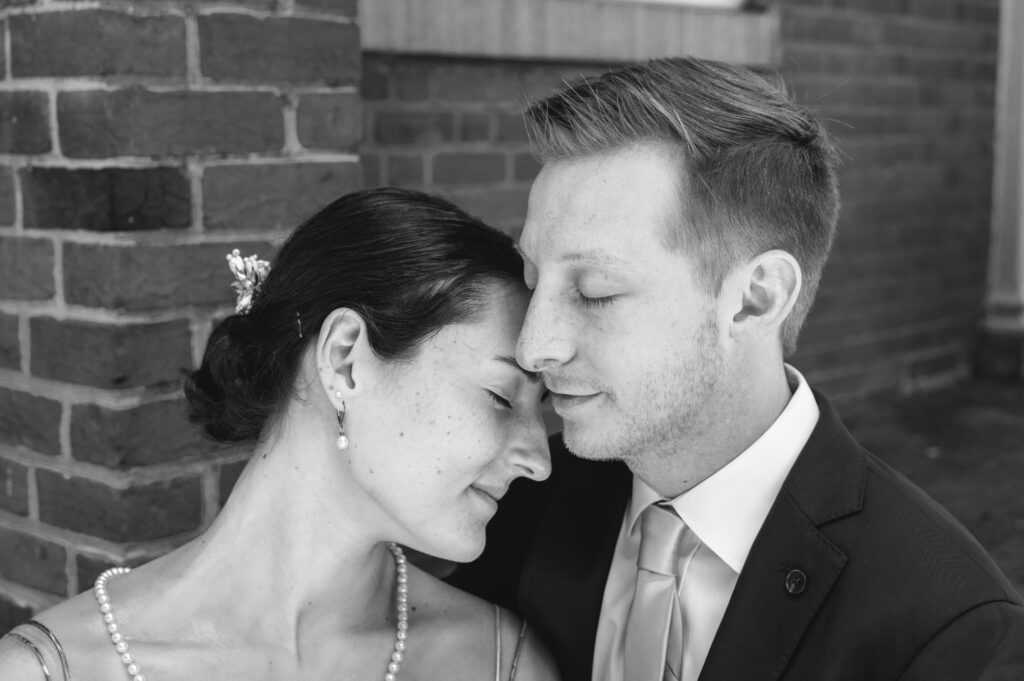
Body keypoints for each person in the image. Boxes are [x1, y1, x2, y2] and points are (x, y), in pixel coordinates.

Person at [449, 57, 1024, 681]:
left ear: (756, 299)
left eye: (595, 293)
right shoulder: (522, 503)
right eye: (533, 280)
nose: (534, 347)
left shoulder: (949, 630)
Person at [0, 188, 560, 681]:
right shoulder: (52, 669)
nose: (540, 460)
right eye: (501, 396)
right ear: (345, 359)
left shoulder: (500, 663)